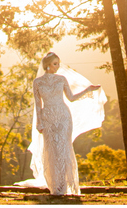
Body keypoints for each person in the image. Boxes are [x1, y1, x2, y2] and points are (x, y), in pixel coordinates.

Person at [29, 52, 105, 195]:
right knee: (51, 150)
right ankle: (55, 186)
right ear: (47, 65)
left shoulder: (62, 79)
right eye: (55, 64)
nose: (58, 67)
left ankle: (64, 185)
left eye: (58, 63)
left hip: (63, 117)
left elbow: (71, 98)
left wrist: (88, 90)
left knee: (63, 149)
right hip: (48, 117)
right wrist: (39, 122)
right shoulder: (37, 82)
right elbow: (38, 104)